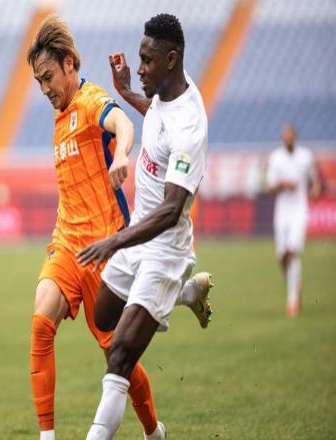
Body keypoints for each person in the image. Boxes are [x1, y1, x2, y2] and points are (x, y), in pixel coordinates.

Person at [27, 15, 164, 440]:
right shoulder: (58, 115)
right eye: (38, 81)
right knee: (40, 322)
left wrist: (121, 155)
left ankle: (153, 431)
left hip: (105, 250)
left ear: (69, 63)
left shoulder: (89, 101)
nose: (45, 88)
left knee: (116, 355)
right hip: (67, 243)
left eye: (48, 77)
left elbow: (123, 124)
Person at [76, 14, 213, 439]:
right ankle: (184, 294)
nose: (139, 68)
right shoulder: (166, 94)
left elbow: (172, 210)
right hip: (139, 233)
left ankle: (149, 435)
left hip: (166, 248)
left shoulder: (190, 126)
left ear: (171, 60)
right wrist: (124, 92)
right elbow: (155, 113)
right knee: (103, 317)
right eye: (139, 58)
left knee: (119, 355)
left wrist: (114, 241)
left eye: (147, 61)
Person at [267, 124, 320, 317]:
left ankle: (292, 301)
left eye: (290, 134)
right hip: (282, 212)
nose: (287, 137)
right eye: (285, 135)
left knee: (292, 252)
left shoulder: (305, 156)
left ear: (295, 136)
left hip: (299, 211)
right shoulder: (276, 158)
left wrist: (314, 190)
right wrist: (282, 184)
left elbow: (314, 180)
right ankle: (295, 285)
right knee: (282, 257)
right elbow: (271, 189)